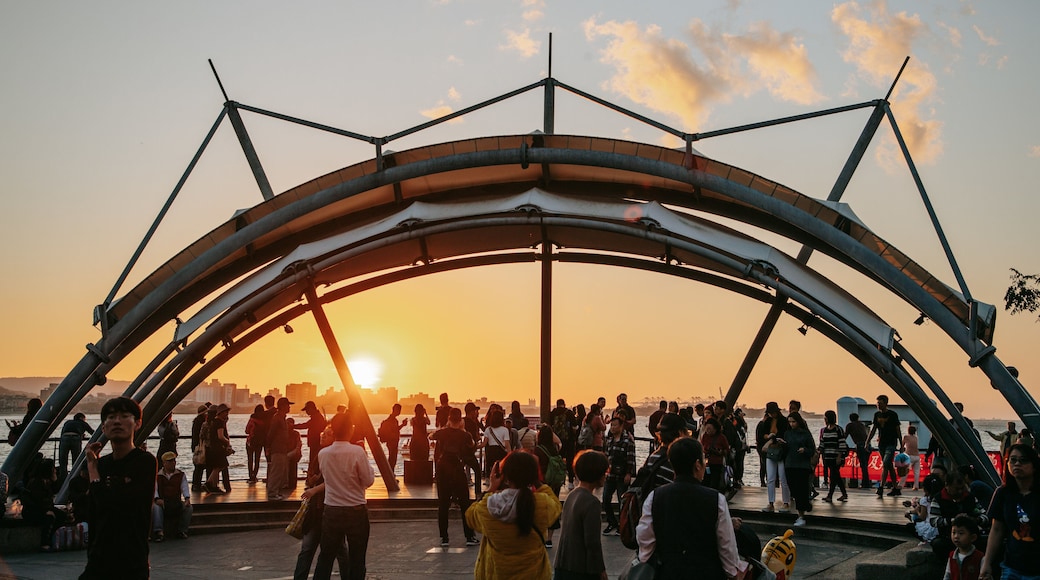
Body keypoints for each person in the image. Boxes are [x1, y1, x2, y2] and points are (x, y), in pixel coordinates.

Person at [634, 437, 750, 580]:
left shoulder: (655, 497)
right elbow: (727, 546)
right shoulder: (716, 500)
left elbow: (645, 538)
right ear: (697, 465)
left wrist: (647, 559)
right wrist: (733, 571)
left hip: (667, 573)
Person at [80, 397, 156, 580]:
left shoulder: (144, 462)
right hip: (98, 560)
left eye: (124, 416)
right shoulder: (102, 464)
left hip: (131, 561)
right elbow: (94, 513)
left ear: (137, 424)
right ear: (103, 427)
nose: (117, 421)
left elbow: (117, 505)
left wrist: (92, 470)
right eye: (111, 417)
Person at [465, 451, 562, 580]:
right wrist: (537, 482)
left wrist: (491, 488)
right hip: (535, 575)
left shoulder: (488, 506)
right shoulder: (542, 503)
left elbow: (470, 516)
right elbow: (556, 507)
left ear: (505, 477)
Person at [313, 413, 375, 580]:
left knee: (325, 557)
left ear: (333, 430)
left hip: (331, 509)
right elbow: (368, 481)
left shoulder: (323, 453)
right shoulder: (357, 452)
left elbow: (327, 478)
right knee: (357, 558)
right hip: (355, 510)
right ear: (350, 429)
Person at [980, 444, 1040, 580]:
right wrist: (987, 562)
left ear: (1034, 465)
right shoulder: (1003, 493)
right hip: (1012, 567)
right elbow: (997, 530)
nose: (1017, 464)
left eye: (1023, 460)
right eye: (1013, 460)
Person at [294, 426, 348, 580]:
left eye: (328, 434)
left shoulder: (334, 457)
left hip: (329, 508)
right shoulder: (319, 455)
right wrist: (312, 480)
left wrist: (314, 486)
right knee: (307, 549)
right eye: (323, 433)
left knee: (339, 550)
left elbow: (333, 480)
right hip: (316, 510)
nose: (323, 436)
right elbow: (312, 479)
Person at [553, 450, 609, 580]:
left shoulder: (572, 495)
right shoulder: (592, 502)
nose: (605, 476)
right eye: (604, 472)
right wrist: (600, 570)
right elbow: (592, 542)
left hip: (562, 563)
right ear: (597, 474)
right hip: (580, 568)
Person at [429, 408, 479, 547]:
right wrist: (462, 430)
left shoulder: (442, 432)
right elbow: (472, 445)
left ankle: (444, 538)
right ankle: (469, 536)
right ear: (461, 420)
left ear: (449, 419)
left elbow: (431, 436)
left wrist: (444, 428)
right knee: (464, 503)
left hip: (443, 467)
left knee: (443, 503)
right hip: (457, 467)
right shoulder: (465, 435)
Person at [928, 471, 984, 558]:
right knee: (938, 544)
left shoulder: (970, 497)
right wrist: (953, 520)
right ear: (947, 485)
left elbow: (984, 515)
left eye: (962, 488)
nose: (960, 491)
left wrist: (975, 520)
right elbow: (933, 521)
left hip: (971, 539)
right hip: (948, 538)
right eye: (956, 489)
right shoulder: (938, 499)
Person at [601, 416, 636, 535]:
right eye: (611, 425)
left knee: (622, 501)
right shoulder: (609, 440)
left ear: (621, 426)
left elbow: (631, 458)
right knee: (606, 498)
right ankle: (612, 522)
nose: (613, 428)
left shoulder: (627, 441)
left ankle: (622, 525)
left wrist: (629, 473)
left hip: (622, 475)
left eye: (615, 425)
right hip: (610, 475)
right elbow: (606, 456)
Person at [784, 412, 816, 527]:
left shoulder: (805, 434)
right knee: (793, 489)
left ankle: (801, 515)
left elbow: (812, 449)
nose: (792, 424)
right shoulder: (787, 433)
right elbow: (786, 448)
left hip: (802, 465)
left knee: (801, 490)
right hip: (789, 464)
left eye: (794, 422)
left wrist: (805, 450)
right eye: (790, 422)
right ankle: (805, 505)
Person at [757, 401, 791, 513]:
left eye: (772, 412)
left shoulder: (784, 421)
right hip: (771, 451)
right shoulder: (767, 422)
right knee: (770, 478)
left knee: (783, 478)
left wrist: (770, 438)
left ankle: (786, 502)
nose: (771, 414)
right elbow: (762, 435)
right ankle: (771, 502)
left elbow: (783, 435)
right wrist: (769, 437)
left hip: (780, 452)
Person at [867, 394, 902, 497]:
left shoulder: (893, 414)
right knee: (889, 466)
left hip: (891, 443)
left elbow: (898, 429)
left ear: (886, 403)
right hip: (881, 443)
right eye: (877, 403)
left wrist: (901, 443)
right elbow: (874, 429)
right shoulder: (877, 415)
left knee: (886, 463)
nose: (878, 405)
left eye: (880, 403)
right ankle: (895, 487)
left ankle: (881, 487)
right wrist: (867, 441)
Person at [152, 451, 191, 541]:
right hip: (162, 500)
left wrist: (187, 498)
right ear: (164, 463)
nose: (173, 463)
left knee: (188, 508)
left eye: (173, 460)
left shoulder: (180, 474)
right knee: (156, 508)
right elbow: (155, 489)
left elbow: (184, 487)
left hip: (175, 501)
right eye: (170, 461)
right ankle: (159, 531)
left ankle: (182, 531)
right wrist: (157, 499)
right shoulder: (158, 476)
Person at [818, 410, 848, 502]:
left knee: (833, 475)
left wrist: (839, 456)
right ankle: (844, 494)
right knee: (836, 476)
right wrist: (818, 452)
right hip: (828, 456)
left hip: (836, 457)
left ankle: (830, 495)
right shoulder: (825, 430)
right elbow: (822, 443)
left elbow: (842, 443)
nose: (825, 420)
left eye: (825, 418)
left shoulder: (838, 429)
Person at [267, 397, 293, 501]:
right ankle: (272, 493)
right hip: (277, 449)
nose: (289, 407)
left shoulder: (282, 418)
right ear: (282, 406)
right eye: (288, 405)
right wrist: (268, 447)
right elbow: (271, 434)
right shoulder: (277, 418)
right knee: (276, 471)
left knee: (280, 472)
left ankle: (276, 491)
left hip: (282, 449)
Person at [944, 514, 984, 580]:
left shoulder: (980, 557)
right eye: (954, 532)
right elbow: (947, 575)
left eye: (961, 533)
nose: (956, 536)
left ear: (973, 537)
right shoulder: (952, 556)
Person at [203, 404, 232, 494]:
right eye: (225, 412)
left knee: (217, 466)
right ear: (221, 413)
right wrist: (227, 442)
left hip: (213, 448)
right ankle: (209, 483)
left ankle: (214, 486)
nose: (227, 414)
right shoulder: (220, 422)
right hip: (218, 448)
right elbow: (221, 436)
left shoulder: (213, 422)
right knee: (220, 466)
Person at [293, 401, 328, 476]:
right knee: (314, 461)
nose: (306, 412)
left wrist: (293, 426)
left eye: (307, 410)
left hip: (316, 443)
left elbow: (305, 425)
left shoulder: (316, 418)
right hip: (315, 443)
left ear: (312, 408)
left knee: (313, 461)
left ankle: (312, 476)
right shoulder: (317, 416)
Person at [57, 412, 94, 481]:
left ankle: (62, 479)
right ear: (81, 418)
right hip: (75, 438)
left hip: (64, 438)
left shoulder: (67, 422)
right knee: (76, 460)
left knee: (63, 461)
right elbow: (92, 432)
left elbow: (63, 432)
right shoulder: (83, 423)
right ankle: (74, 478)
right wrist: (81, 434)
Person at [549, 399, 577, 487]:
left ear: (557, 404)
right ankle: (570, 482)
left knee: (557, 460)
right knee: (569, 460)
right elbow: (574, 427)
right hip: (568, 441)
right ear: (564, 404)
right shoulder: (569, 413)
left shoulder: (553, 413)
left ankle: (558, 479)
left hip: (556, 441)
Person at [700, 418, 730, 492]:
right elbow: (701, 446)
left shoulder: (721, 437)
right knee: (705, 481)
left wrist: (720, 451)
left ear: (715, 429)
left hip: (717, 463)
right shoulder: (705, 436)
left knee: (714, 482)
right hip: (706, 463)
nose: (707, 430)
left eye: (709, 429)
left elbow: (727, 450)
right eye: (706, 428)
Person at [480, 408, 511, 478]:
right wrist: (510, 454)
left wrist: (475, 446)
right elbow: (507, 444)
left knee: (491, 469)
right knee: (501, 469)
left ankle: (490, 481)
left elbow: (484, 443)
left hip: (490, 452)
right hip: (501, 451)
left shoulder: (488, 429)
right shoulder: (505, 430)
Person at [845, 412, 871, 488]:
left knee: (863, 465)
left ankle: (865, 483)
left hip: (860, 445)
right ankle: (866, 482)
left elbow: (845, 436)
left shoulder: (850, 425)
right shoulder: (861, 425)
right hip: (868, 445)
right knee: (865, 465)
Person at [378, 403, 406, 471]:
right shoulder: (392, 420)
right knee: (392, 458)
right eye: (399, 410)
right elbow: (395, 430)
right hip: (392, 441)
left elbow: (395, 429)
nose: (399, 412)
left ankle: (390, 472)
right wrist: (403, 425)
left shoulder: (393, 420)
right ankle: (390, 472)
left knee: (392, 458)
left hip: (392, 441)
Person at [190, 403, 210, 492]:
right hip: (201, 446)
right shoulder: (202, 422)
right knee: (200, 466)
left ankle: (196, 484)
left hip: (196, 446)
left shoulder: (196, 421)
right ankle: (197, 485)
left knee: (198, 466)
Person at [245, 404, 265, 483]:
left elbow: (246, 431)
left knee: (250, 460)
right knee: (257, 460)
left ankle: (250, 477)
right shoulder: (264, 420)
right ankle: (255, 476)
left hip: (250, 442)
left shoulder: (252, 419)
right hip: (259, 442)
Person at [900, 425, 922, 491]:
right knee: (917, 472)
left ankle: (900, 485)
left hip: (909, 455)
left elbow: (902, 445)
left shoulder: (906, 437)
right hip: (917, 456)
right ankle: (916, 486)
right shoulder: (916, 438)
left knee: (905, 471)